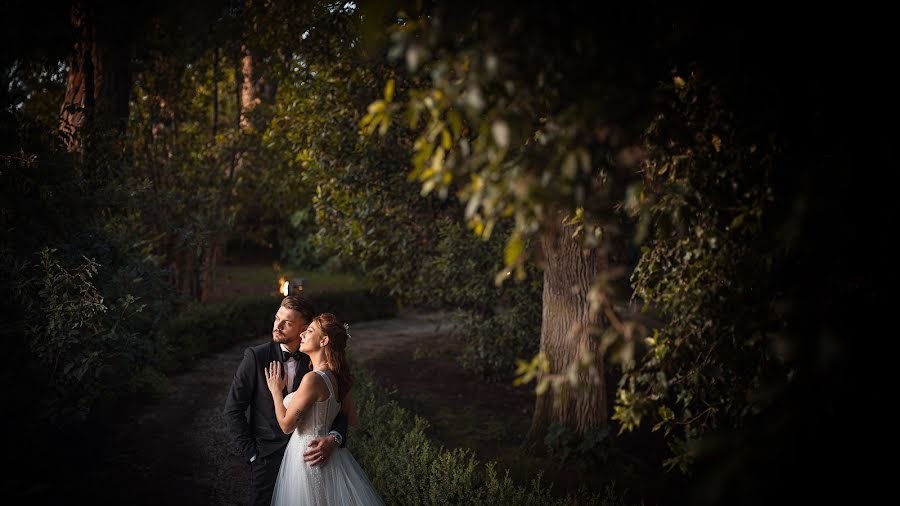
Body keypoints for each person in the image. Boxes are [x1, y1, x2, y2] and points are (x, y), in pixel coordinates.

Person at [224, 296, 349, 506]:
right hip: (267, 459)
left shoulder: (317, 359)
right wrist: (253, 455)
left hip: (308, 461)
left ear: (305, 327)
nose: (277, 326)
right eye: (277, 319)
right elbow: (233, 410)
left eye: (287, 323)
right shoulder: (255, 357)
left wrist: (333, 438)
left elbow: (340, 408)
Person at [267, 312, 383, 505]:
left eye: (309, 331)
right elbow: (352, 418)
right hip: (332, 457)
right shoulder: (337, 376)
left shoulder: (313, 379)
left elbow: (286, 426)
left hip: (308, 456)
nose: (302, 334)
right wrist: (334, 436)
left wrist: (276, 392)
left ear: (324, 341)